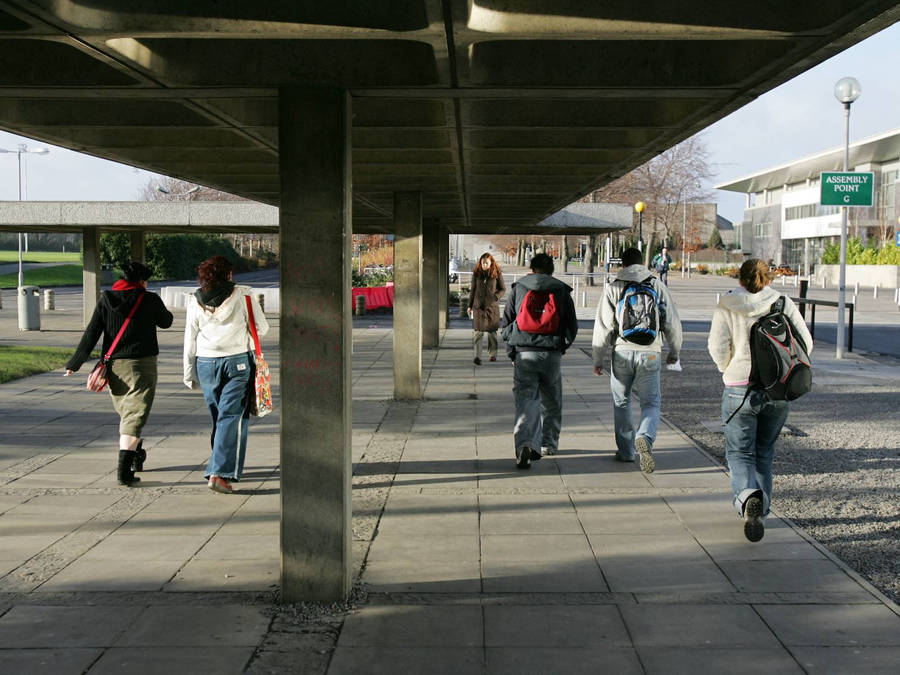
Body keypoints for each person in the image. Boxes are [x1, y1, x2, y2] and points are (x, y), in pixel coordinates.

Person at [707, 259, 812, 542]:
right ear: (768, 278)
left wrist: (727, 368)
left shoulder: (727, 304)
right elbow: (806, 343)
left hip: (739, 389)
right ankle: (761, 510)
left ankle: (746, 498)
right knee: (764, 453)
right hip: (777, 389)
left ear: (740, 278)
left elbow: (716, 346)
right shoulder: (782, 302)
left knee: (740, 454)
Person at [65, 261, 173, 486]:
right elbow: (166, 322)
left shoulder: (106, 298)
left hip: (114, 367)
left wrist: (74, 363)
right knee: (134, 414)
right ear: (142, 281)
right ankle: (124, 472)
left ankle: (136, 454)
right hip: (142, 364)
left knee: (128, 411)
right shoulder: (149, 299)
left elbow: (92, 332)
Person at [183, 255, 269, 494]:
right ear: (228, 274)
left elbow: (190, 337)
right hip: (236, 361)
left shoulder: (194, 299)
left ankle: (219, 466)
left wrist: (188, 372)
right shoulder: (243, 295)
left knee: (219, 418)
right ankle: (219, 473)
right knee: (232, 417)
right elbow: (262, 327)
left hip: (205, 363)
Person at [592, 247, 682, 473]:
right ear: (643, 263)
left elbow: (603, 326)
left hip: (622, 350)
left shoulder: (614, 287)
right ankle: (645, 437)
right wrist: (675, 352)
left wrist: (598, 359)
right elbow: (671, 322)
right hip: (651, 351)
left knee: (621, 401)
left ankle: (626, 451)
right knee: (651, 403)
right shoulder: (657, 286)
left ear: (622, 263)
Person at [501, 253, 577, 468]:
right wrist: (561, 347)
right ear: (552, 270)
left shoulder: (519, 288)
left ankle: (526, 443)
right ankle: (549, 444)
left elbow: (506, 324)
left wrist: (512, 352)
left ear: (531, 269)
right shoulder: (561, 290)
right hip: (551, 353)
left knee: (526, 400)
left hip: (524, 353)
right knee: (552, 400)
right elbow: (572, 326)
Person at [467, 252, 506, 365]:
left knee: (492, 333)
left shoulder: (496, 274)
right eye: (482, 262)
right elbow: (473, 290)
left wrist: (496, 297)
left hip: (492, 308)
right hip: (478, 307)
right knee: (478, 333)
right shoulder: (476, 274)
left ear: (491, 263)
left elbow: (503, 288)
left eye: (486, 263)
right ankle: (477, 356)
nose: (484, 264)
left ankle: (492, 354)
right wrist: (469, 305)